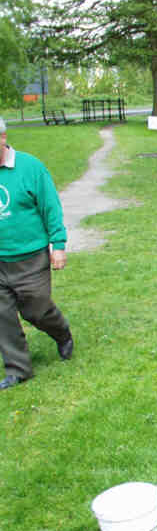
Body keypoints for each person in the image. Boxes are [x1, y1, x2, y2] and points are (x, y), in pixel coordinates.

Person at [0, 117, 73, 390]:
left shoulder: (30, 167)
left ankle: (61, 333)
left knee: (37, 309)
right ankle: (18, 369)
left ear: (3, 138)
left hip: (30, 258)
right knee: (2, 315)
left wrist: (59, 245)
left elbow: (51, 207)